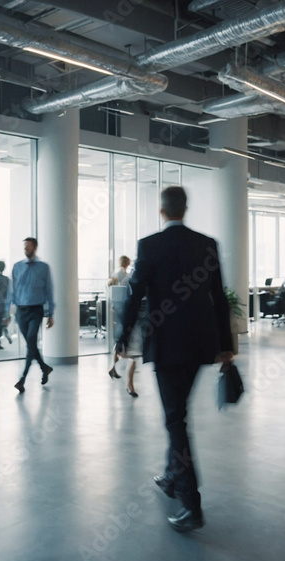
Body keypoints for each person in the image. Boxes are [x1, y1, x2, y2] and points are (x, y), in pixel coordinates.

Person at [116, 186, 234, 533]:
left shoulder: (149, 245)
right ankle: (171, 477)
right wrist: (226, 346)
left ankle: (190, 504)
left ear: (162, 211)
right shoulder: (207, 244)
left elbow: (133, 296)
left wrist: (122, 338)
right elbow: (220, 298)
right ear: (185, 208)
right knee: (178, 413)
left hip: (167, 346)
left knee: (175, 421)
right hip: (201, 345)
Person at [5, 237, 55, 393]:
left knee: (31, 341)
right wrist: (8, 312)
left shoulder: (44, 268)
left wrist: (50, 313)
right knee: (31, 345)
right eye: (24, 247)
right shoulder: (17, 267)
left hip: (36, 311)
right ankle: (44, 367)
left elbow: (49, 291)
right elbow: (11, 291)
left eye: (28, 246)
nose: (25, 249)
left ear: (35, 247)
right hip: (21, 312)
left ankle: (22, 379)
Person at [0, 261, 13, 350]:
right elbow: (9, 293)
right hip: (4, 304)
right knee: (5, 319)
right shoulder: (7, 279)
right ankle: (5, 330)